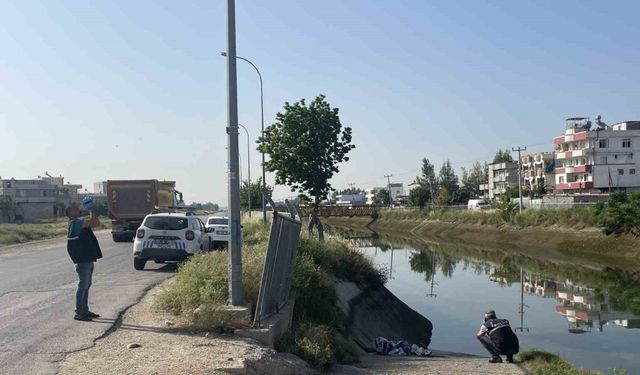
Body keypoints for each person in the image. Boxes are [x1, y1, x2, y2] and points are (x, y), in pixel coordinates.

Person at [66, 202, 103, 321]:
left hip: (86, 258)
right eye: (74, 208)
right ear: (70, 213)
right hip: (83, 260)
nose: (77, 209)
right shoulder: (76, 222)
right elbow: (95, 222)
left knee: (86, 285)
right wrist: (91, 209)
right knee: (83, 285)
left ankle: (84, 310)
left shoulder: (77, 222)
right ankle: (79, 312)